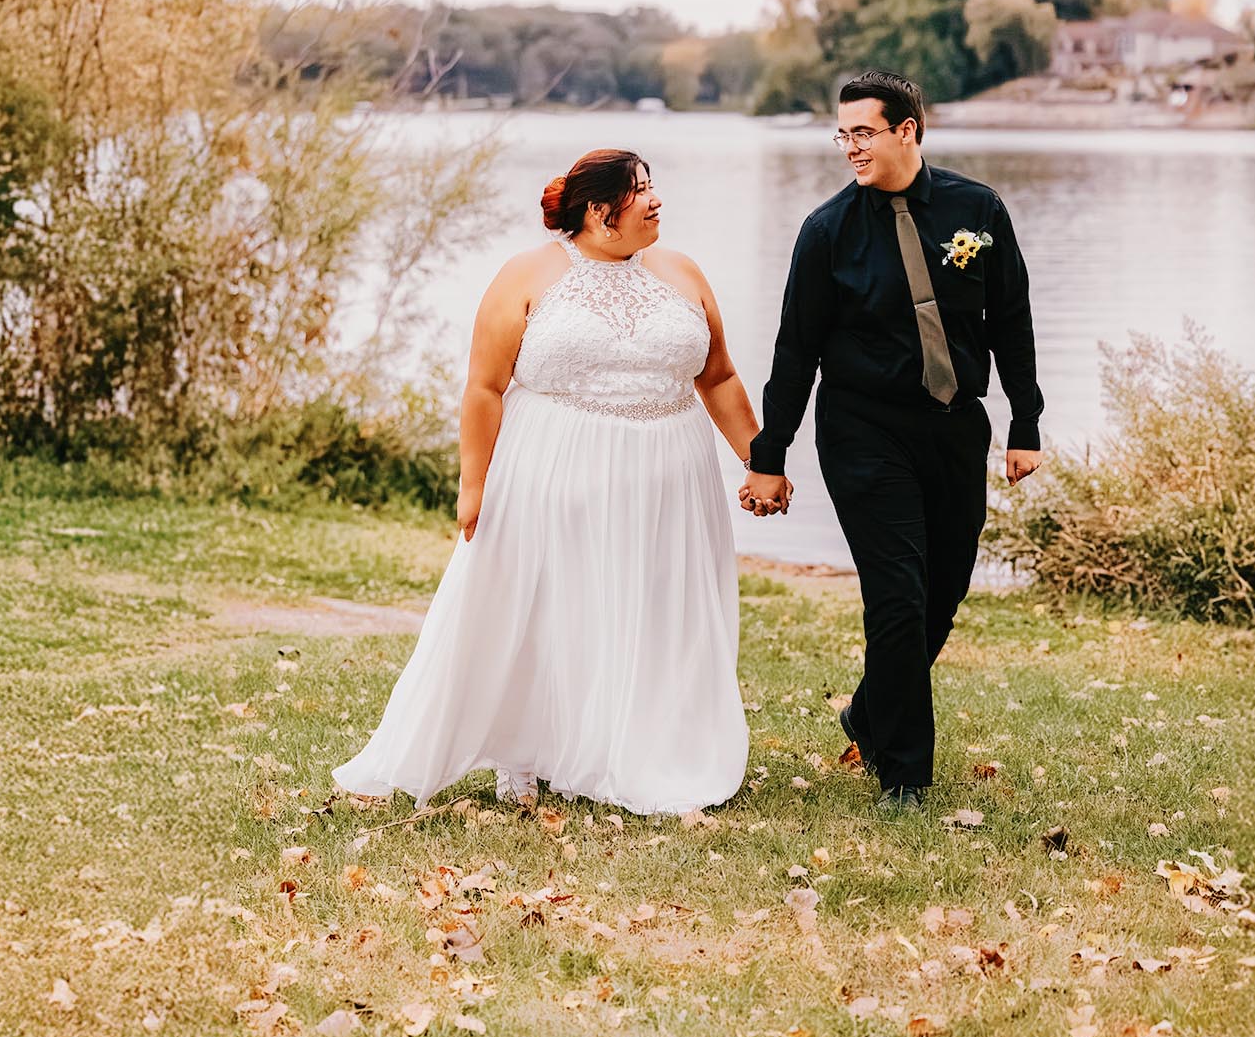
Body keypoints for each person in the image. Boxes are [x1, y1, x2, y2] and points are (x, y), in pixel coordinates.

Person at [332, 149, 758, 815]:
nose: (656, 201)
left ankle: (640, 747)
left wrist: (758, 459)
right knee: (540, 609)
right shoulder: (528, 273)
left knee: (652, 610)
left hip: (672, 478)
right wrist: (472, 486)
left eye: (652, 187)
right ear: (598, 211)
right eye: (640, 191)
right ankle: (521, 752)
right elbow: (483, 387)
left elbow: (720, 375)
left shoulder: (681, 271)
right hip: (555, 465)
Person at [742, 71, 1044, 812]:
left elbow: (1009, 317)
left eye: (862, 133)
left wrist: (1024, 421)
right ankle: (904, 773)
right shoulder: (826, 231)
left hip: (953, 426)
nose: (849, 147)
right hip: (861, 429)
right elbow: (794, 351)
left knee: (942, 590)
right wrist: (768, 455)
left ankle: (869, 711)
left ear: (907, 129)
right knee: (898, 597)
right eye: (841, 134)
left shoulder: (979, 209)